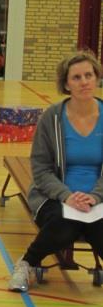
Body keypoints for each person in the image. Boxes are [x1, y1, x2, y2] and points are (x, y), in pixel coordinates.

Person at [8, 51, 103, 292]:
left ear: (97, 78)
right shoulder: (51, 118)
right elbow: (40, 168)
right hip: (54, 196)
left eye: (88, 75)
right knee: (65, 225)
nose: (84, 82)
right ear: (66, 84)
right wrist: (67, 196)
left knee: (98, 228)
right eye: (77, 77)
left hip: (98, 198)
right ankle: (26, 264)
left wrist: (95, 197)